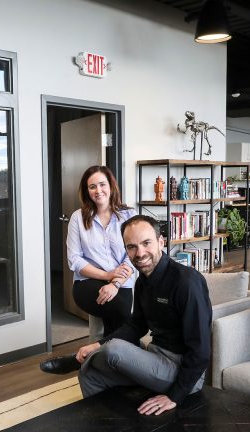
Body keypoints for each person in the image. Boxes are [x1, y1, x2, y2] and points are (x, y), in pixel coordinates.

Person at [43, 215, 213, 416]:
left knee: (114, 349)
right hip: (155, 357)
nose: (140, 253)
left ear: (161, 242)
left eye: (146, 243)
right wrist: (96, 345)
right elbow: (136, 326)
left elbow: (201, 350)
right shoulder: (143, 281)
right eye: (131, 247)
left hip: (183, 373)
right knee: (90, 372)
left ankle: (74, 360)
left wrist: (175, 396)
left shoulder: (187, 282)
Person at [40, 166, 137, 372]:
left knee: (115, 317)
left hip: (121, 284)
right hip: (88, 283)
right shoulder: (78, 217)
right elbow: (74, 259)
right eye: (92, 186)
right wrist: (107, 275)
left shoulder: (129, 215)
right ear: (87, 191)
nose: (98, 190)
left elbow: (134, 254)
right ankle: (121, 360)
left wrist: (115, 283)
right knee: (121, 313)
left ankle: (86, 361)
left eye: (102, 184)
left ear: (111, 186)